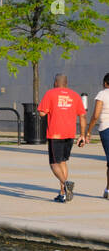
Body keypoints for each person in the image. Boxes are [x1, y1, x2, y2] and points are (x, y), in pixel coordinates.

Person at [38, 73, 87, 202]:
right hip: (70, 134)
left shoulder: (50, 94)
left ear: (55, 82)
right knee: (63, 161)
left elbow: (42, 113)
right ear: (66, 83)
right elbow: (82, 116)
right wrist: (82, 135)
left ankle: (66, 184)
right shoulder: (75, 95)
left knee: (54, 163)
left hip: (55, 134)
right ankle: (63, 193)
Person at [80, 72, 109, 199]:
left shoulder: (102, 94)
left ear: (105, 83)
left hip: (106, 128)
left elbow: (96, 115)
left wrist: (88, 131)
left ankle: (108, 189)